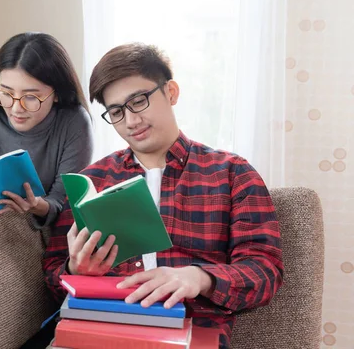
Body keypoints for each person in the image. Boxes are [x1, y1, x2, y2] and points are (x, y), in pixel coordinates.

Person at [42, 43, 284, 348]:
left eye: (138, 101)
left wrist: (199, 278)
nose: (130, 121)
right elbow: (52, 273)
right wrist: (76, 270)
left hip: (190, 332)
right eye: (116, 112)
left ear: (171, 92)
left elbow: (265, 270)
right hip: (103, 330)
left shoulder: (231, 173)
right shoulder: (92, 181)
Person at [0, 32, 93, 228]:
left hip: (42, 231)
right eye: (6, 93)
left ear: (56, 94)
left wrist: (37, 206)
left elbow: (66, 205)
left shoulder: (75, 122)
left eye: (30, 97)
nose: (16, 108)